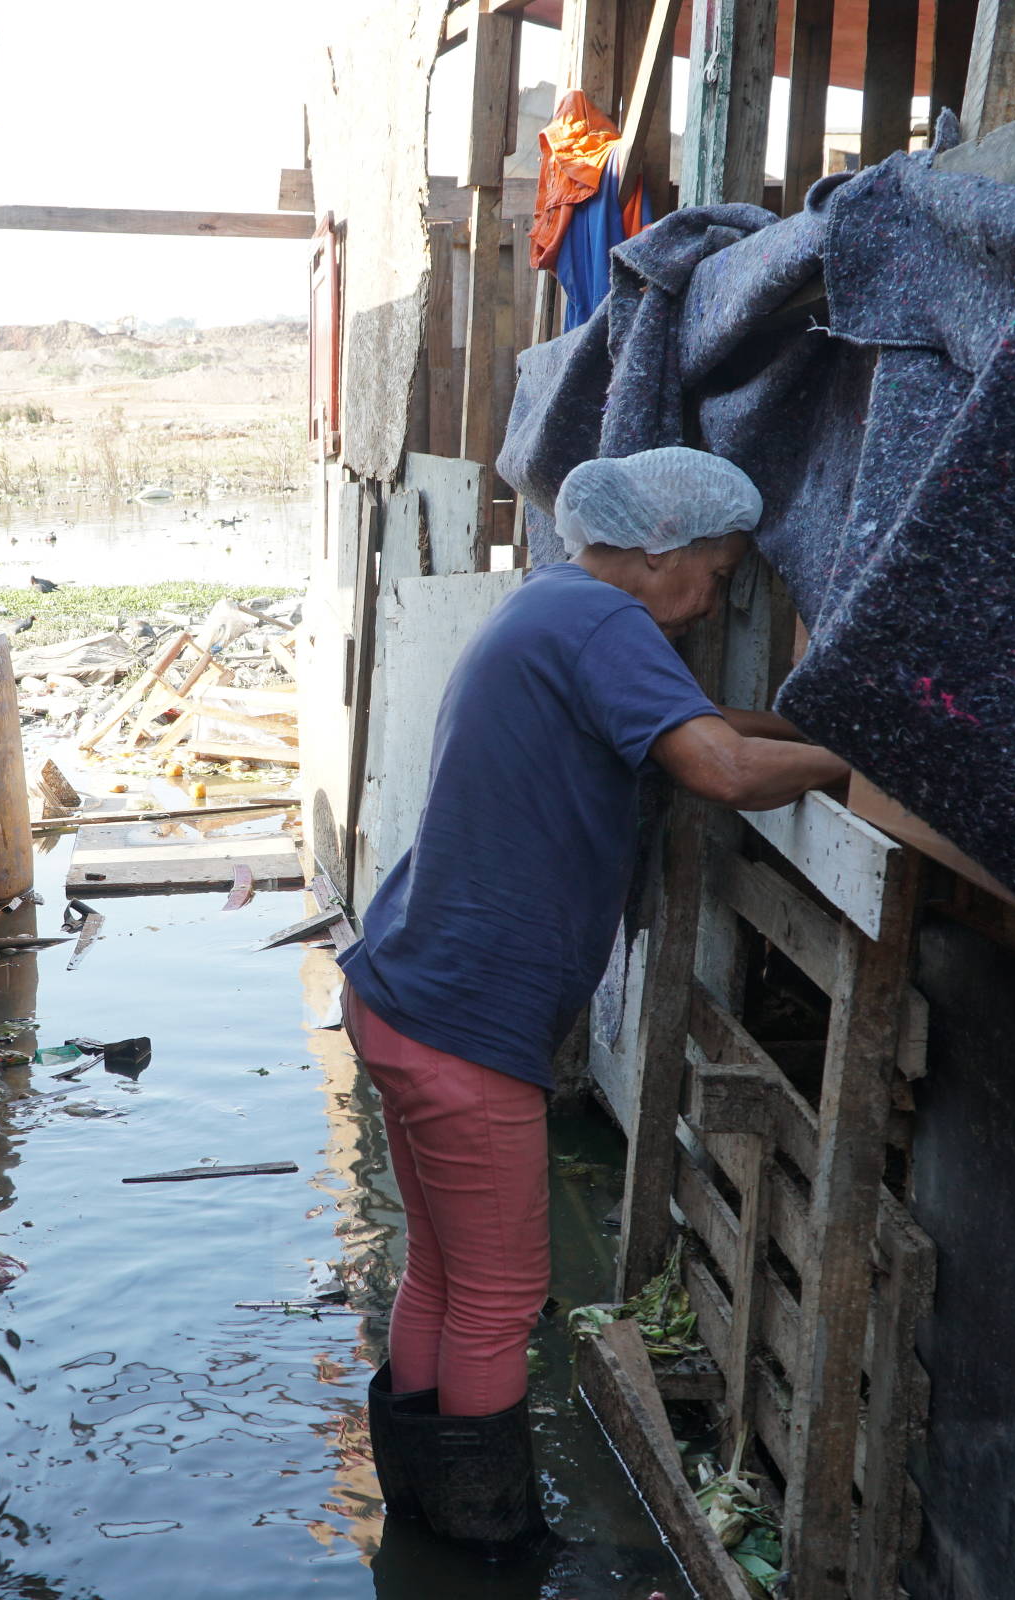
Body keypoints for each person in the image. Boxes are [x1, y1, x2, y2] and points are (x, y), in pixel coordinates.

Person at [337, 448, 849, 1559]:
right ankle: (491, 1543)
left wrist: (813, 735)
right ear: (660, 550)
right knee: (503, 1297)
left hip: (401, 994)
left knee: (441, 1271)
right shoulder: (606, 627)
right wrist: (844, 774)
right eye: (713, 572)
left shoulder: (559, 606)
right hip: (464, 1023)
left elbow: (705, 720)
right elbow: (714, 763)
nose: (713, 598)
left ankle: (426, 1519)